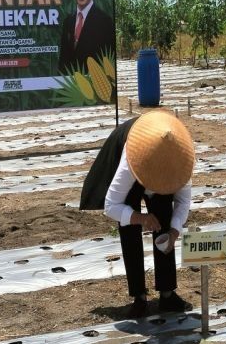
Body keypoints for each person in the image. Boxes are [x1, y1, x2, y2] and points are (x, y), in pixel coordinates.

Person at [81, 110, 194, 319]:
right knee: (129, 227)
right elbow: (111, 205)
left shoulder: (181, 162)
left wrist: (174, 233)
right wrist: (140, 219)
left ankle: (167, 293)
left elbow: (183, 201)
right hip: (133, 158)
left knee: (164, 222)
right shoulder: (130, 160)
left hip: (159, 160)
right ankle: (139, 297)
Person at [57, 0, 115, 74]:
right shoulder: (68, 22)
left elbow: (109, 62)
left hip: (96, 88)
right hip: (72, 89)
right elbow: (63, 63)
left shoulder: (105, 22)